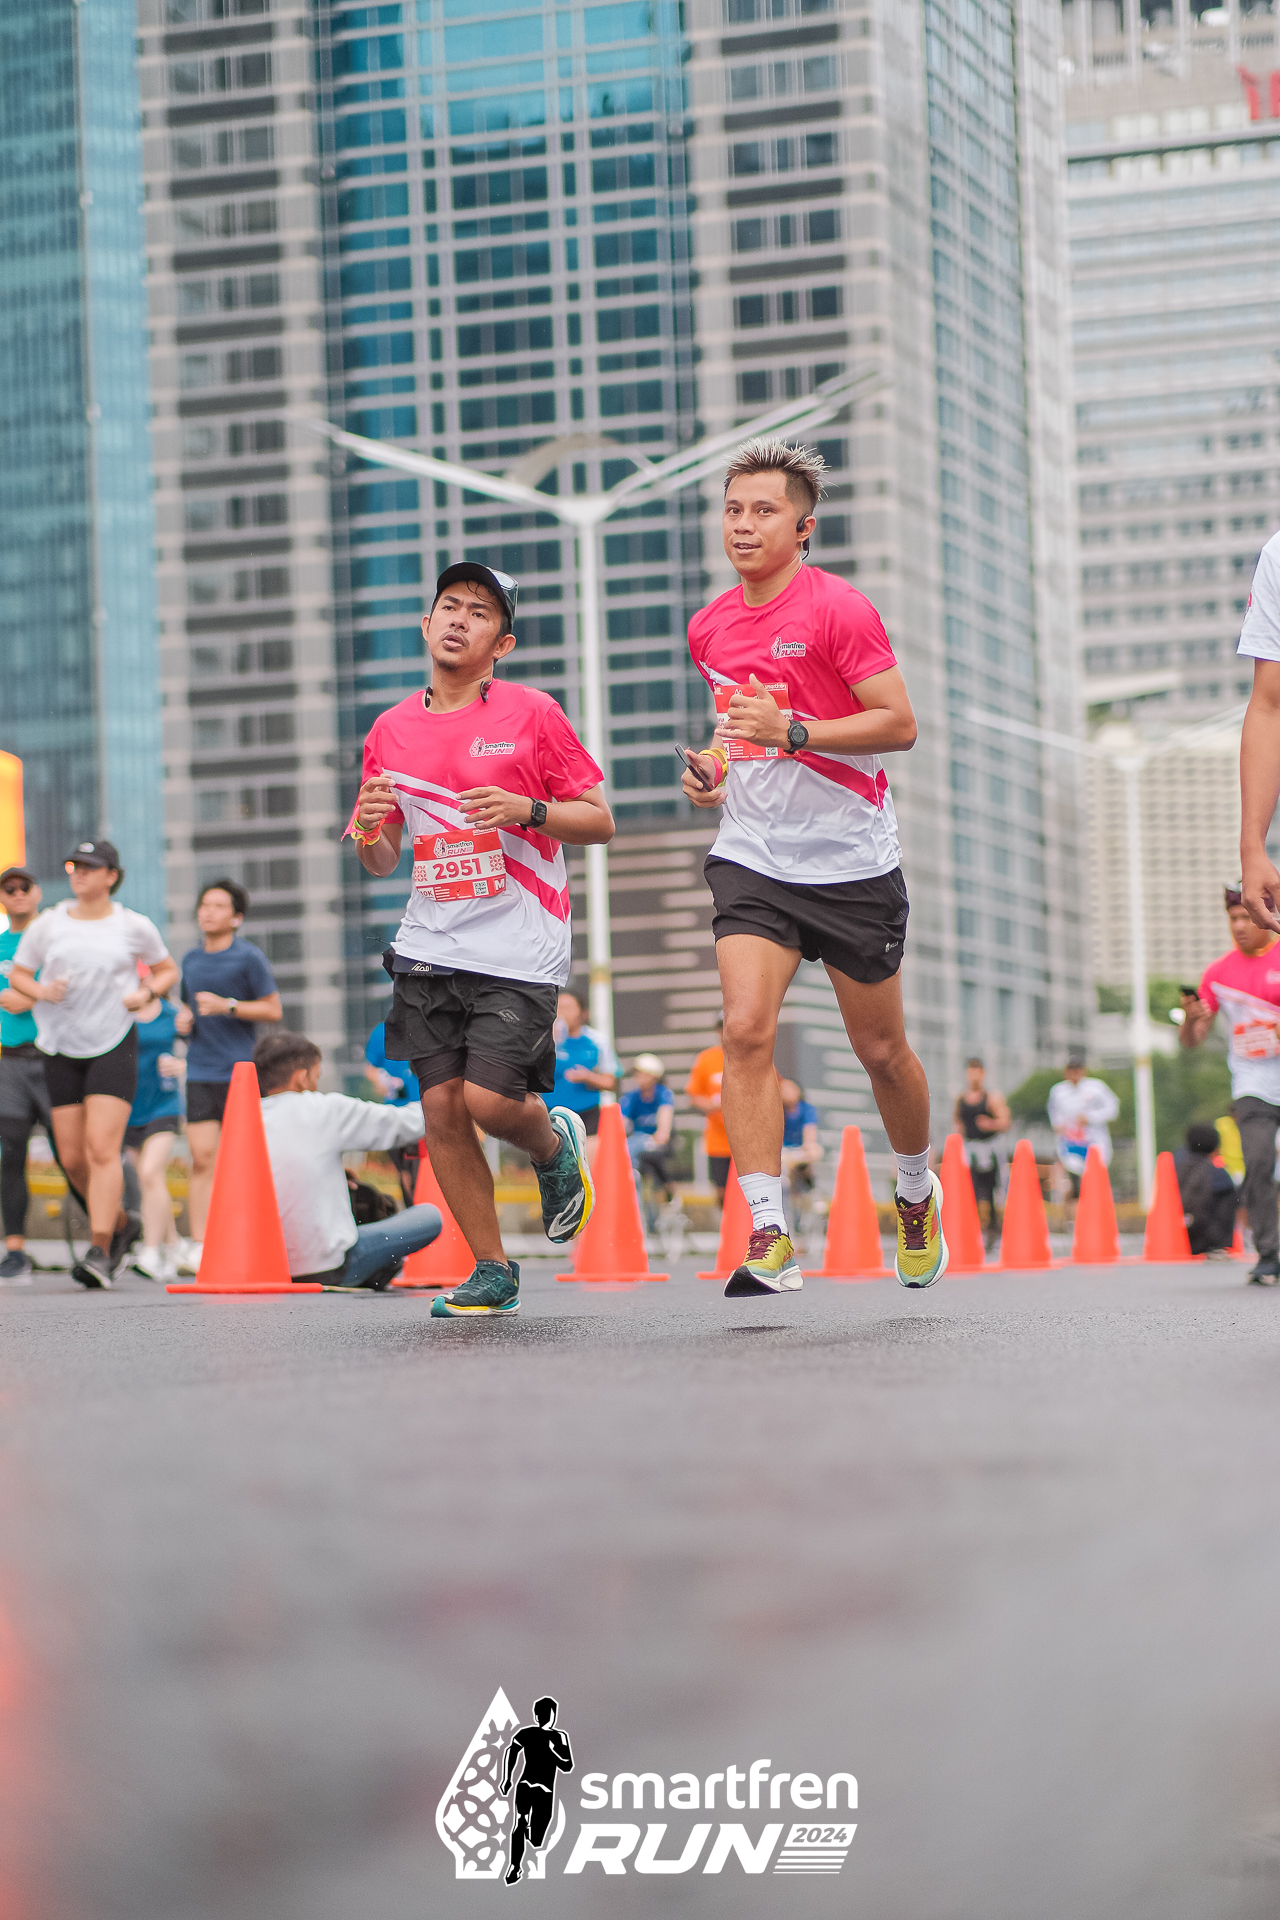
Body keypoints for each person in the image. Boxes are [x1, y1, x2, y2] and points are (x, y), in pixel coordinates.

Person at [680, 440, 943, 1297]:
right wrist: (716, 769)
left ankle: (915, 1190)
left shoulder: (839, 610)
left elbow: (898, 723)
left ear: (803, 528)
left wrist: (794, 732)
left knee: (882, 1051)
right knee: (744, 1031)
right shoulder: (709, 625)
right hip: (754, 855)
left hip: (851, 860)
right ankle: (769, 1232)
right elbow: (736, 727)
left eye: (764, 510)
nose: (743, 525)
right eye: (733, 509)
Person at [348, 562, 615, 1316]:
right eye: (449, 606)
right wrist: (367, 827)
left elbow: (599, 819)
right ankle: (492, 1269)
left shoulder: (532, 713)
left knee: (491, 1103)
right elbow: (380, 857)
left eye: (480, 612)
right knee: (440, 1109)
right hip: (429, 942)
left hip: (520, 943)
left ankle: (553, 1145)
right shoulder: (389, 730)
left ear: (503, 644)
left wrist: (528, 809)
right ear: (426, 625)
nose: (460, 619)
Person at [9, 840, 178, 1289]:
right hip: (60, 1046)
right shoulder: (49, 924)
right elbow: (20, 973)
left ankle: (100, 1249)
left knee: (102, 1148)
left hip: (113, 1042)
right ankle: (122, 1224)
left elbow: (166, 969)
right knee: (71, 1158)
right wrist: (41, 992)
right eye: (74, 866)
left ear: (111, 876)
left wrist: (146, 993)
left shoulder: (132, 925)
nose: (79, 873)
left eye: (89, 867)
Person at [256, 1030, 442, 1286]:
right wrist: (450, 1102)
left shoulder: (246, 1118)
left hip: (265, 1268)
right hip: (328, 1267)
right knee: (429, 1217)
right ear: (301, 1077)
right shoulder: (322, 1108)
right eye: (316, 1077)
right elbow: (404, 1124)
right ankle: (374, 1270)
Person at [174, 878, 282, 1276]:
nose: (209, 912)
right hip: (200, 1069)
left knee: (245, 1162)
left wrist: (229, 1006)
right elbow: (187, 1010)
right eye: (205, 904)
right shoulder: (190, 960)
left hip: (240, 1073)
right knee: (202, 1158)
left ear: (236, 917)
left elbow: (273, 1009)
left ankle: (248, 1238)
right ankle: (200, 1245)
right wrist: (184, 1021)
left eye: (219, 906)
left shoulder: (249, 958)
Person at [1178, 882, 1280, 1283]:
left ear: (1267, 917)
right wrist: (1190, 1020)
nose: (1239, 926)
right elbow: (1193, 1041)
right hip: (1253, 1085)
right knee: (1257, 1164)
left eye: (1246, 917)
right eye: (1233, 918)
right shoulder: (1218, 973)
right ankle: (1269, 1254)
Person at [0, 867, 57, 1283]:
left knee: (71, 1153)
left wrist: (28, 998)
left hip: (53, 1058)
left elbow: (73, 992)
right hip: (9, 1063)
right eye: (9, 889)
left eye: (24, 887)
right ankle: (16, 1251)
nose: (17, 894)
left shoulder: (54, 940)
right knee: (11, 1155)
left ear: (37, 892)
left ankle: (109, 1239)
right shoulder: (1, 944)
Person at [124, 992, 184, 1281]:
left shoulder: (173, 1014)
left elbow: (202, 1048)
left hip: (164, 1103)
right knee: (149, 1182)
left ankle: (149, 1251)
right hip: (129, 1105)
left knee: (150, 1173)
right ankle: (174, 1245)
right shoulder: (119, 1011)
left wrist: (183, 1065)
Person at [499, 1696, 573, 1887]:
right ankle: (515, 1866)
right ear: (536, 1715)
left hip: (545, 1790)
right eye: (541, 1713)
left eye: (548, 1713)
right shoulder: (527, 1733)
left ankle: (528, 1834)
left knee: (536, 1838)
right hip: (526, 1784)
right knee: (520, 1821)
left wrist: (551, 1752)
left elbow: (567, 1765)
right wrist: (507, 1778)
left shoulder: (559, 1737)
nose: (545, 1717)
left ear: (553, 1715)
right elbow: (511, 1751)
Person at [1046, 1052, 1120, 1211]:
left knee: (1095, 1180)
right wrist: (1058, 1125)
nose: (1074, 1074)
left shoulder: (1097, 1087)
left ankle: (1098, 1213)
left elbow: (1113, 1108)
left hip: (1094, 1143)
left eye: (1077, 1069)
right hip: (1070, 1144)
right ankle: (1072, 1218)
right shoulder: (1058, 1091)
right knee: (1073, 1183)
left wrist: (1091, 1117)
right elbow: (1053, 1113)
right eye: (1071, 1070)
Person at [954, 1057, 1010, 1247]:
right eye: (971, 1071)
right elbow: (957, 1122)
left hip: (990, 1150)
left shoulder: (992, 1098)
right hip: (970, 1150)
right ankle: (974, 1229)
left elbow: (1005, 1122)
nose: (973, 1075)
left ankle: (994, 1229)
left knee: (992, 1191)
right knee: (971, 1191)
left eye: (977, 1071)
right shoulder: (961, 1099)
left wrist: (989, 1124)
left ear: (983, 1073)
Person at [365, 1019, 422, 1202]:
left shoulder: (426, 1026)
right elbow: (371, 1068)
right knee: (405, 1169)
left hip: (424, 1111)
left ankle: (418, 1204)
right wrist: (384, 1082)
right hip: (397, 1112)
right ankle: (413, 1205)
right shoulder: (382, 1031)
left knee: (417, 1167)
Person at [550, 990, 616, 1141]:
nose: (562, 1013)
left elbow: (611, 1082)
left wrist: (588, 1077)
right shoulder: (545, 1040)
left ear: (583, 1013)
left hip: (587, 1112)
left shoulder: (597, 1041)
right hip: (552, 1110)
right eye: (558, 1008)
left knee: (588, 1154)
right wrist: (550, 1041)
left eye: (568, 1008)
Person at [621, 1052, 675, 1228]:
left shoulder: (663, 1094)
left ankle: (667, 1193)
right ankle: (635, 1204)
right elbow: (622, 1125)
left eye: (641, 1073)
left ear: (653, 1076)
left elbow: (663, 1132)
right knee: (630, 1152)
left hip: (656, 1145)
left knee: (639, 1151)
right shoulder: (632, 1097)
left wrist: (654, 1137)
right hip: (639, 1146)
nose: (638, 1077)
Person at [1172, 1123, 1237, 1258]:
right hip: (1204, 1241)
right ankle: (1218, 1246)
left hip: (1175, 1238)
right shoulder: (1217, 1173)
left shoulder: (1175, 1167)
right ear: (1215, 1148)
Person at [686, 1016, 730, 1197]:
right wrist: (714, 1105)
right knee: (721, 1191)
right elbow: (694, 1095)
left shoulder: (751, 1056)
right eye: (721, 1028)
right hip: (718, 1138)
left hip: (748, 1138)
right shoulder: (707, 1059)